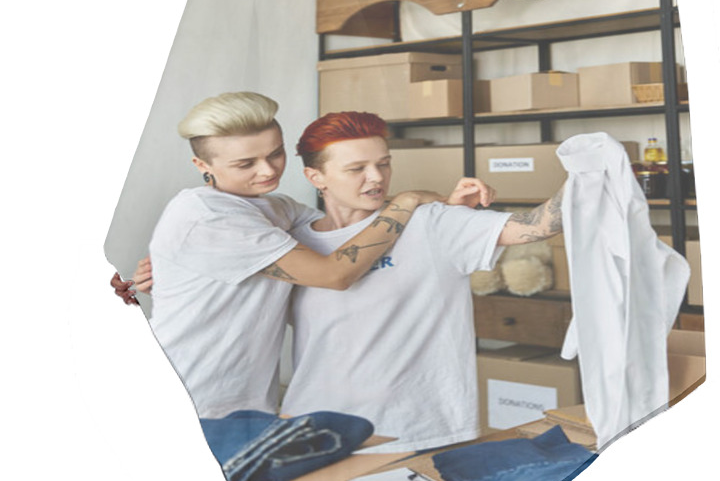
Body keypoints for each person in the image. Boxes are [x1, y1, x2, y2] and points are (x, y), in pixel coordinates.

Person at [109, 0, 683, 303]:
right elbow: (196, 85)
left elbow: (483, 7)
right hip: (267, 168)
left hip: (350, 166)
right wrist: (154, 241)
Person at [285, 111, 565, 481]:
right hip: (321, 431)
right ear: (317, 177)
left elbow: (535, 226)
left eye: (383, 164)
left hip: (420, 421)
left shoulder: (434, 221)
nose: (375, 178)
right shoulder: (292, 242)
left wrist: (594, 171)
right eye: (357, 167)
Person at [146, 90, 488, 420]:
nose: (267, 171)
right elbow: (333, 273)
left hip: (245, 403)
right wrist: (407, 201)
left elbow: (353, 221)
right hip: (185, 400)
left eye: (275, 154)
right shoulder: (207, 216)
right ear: (201, 164)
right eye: (246, 163)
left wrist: (444, 206)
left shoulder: (275, 207)